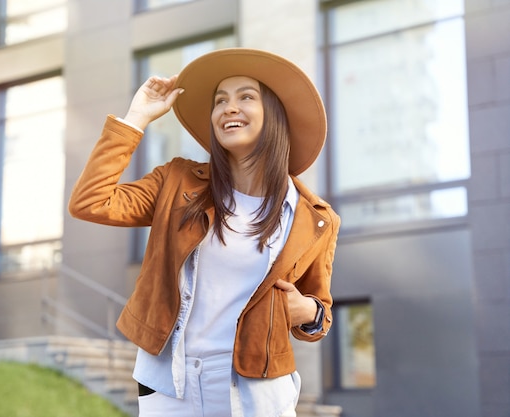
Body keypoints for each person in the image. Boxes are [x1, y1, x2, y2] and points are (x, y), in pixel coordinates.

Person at [68, 48, 340, 417]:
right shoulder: (176, 181)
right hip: (170, 383)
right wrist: (136, 119)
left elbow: (319, 313)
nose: (229, 107)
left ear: (274, 115)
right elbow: (90, 202)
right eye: (220, 100)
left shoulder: (314, 217)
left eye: (246, 97)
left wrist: (306, 310)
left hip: (258, 388)